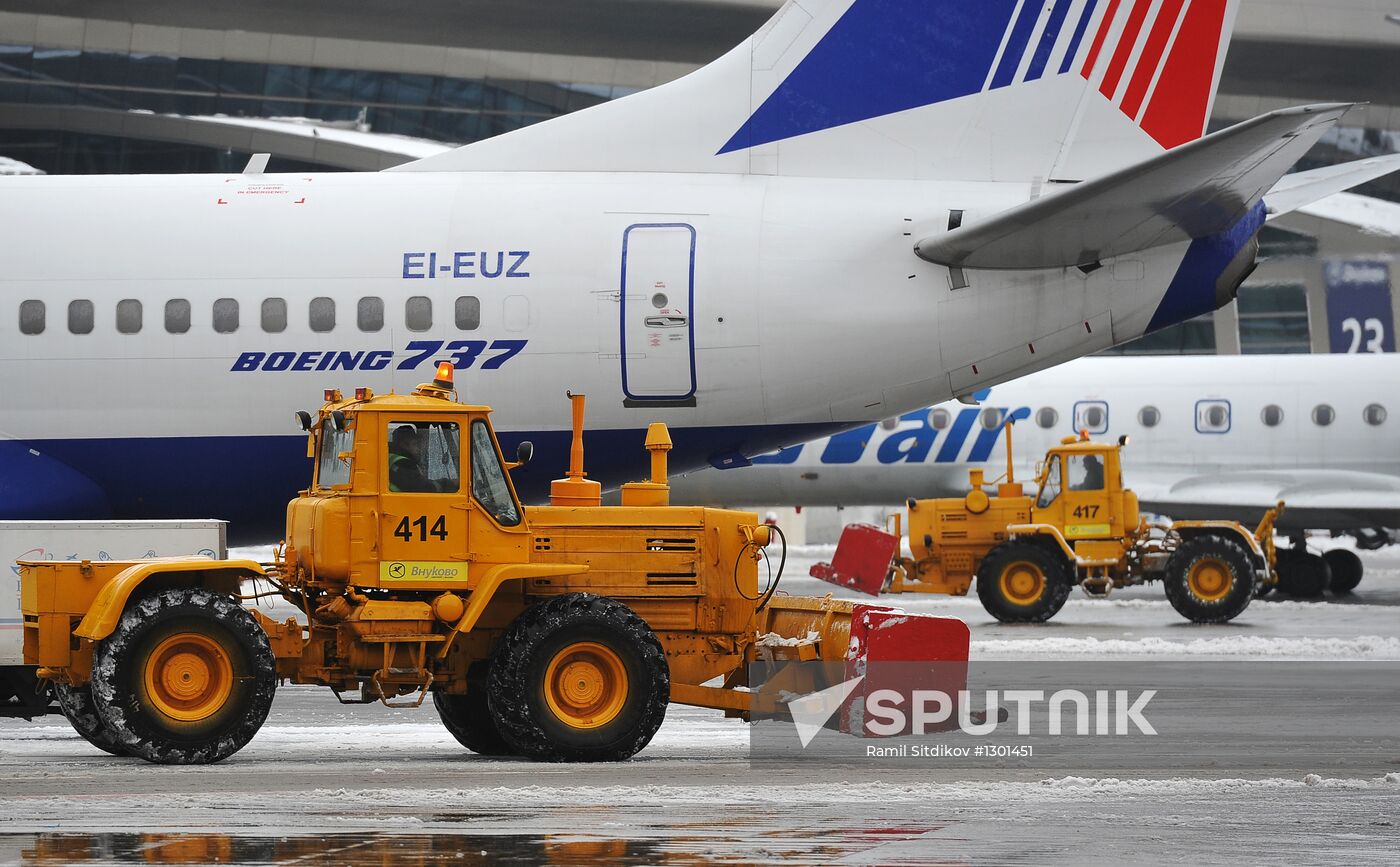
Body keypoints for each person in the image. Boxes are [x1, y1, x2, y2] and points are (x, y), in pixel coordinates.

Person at [388, 426, 435, 492]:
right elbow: (421, 488)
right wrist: (444, 484)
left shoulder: (390, 456)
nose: (418, 448)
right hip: (401, 501)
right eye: (415, 444)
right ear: (404, 445)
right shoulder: (404, 464)